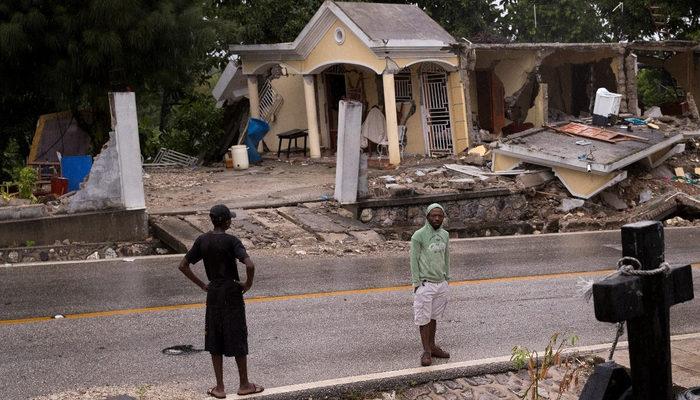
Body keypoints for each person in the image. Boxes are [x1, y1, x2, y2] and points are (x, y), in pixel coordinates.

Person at [178, 204, 263, 398]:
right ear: (226, 222)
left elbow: (183, 265)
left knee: (214, 337)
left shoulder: (202, 240)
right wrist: (247, 284)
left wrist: (202, 285)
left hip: (214, 292)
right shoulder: (232, 241)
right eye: (229, 219)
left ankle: (220, 388)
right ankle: (244, 384)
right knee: (238, 335)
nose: (231, 221)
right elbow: (249, 264)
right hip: (232, 292)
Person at [410, 203, 451, 367]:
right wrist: (416, 283)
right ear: (427, 217)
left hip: (441, 283)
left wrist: (447, 278)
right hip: (425, 284)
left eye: (440, 216)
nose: (436, 218)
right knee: (423, 318)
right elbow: (413, 260)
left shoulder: (445, 235)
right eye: (433, 215)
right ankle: (426, 351)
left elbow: (446, 257)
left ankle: (433, 347)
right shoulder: (418, 236)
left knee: (434, 317)